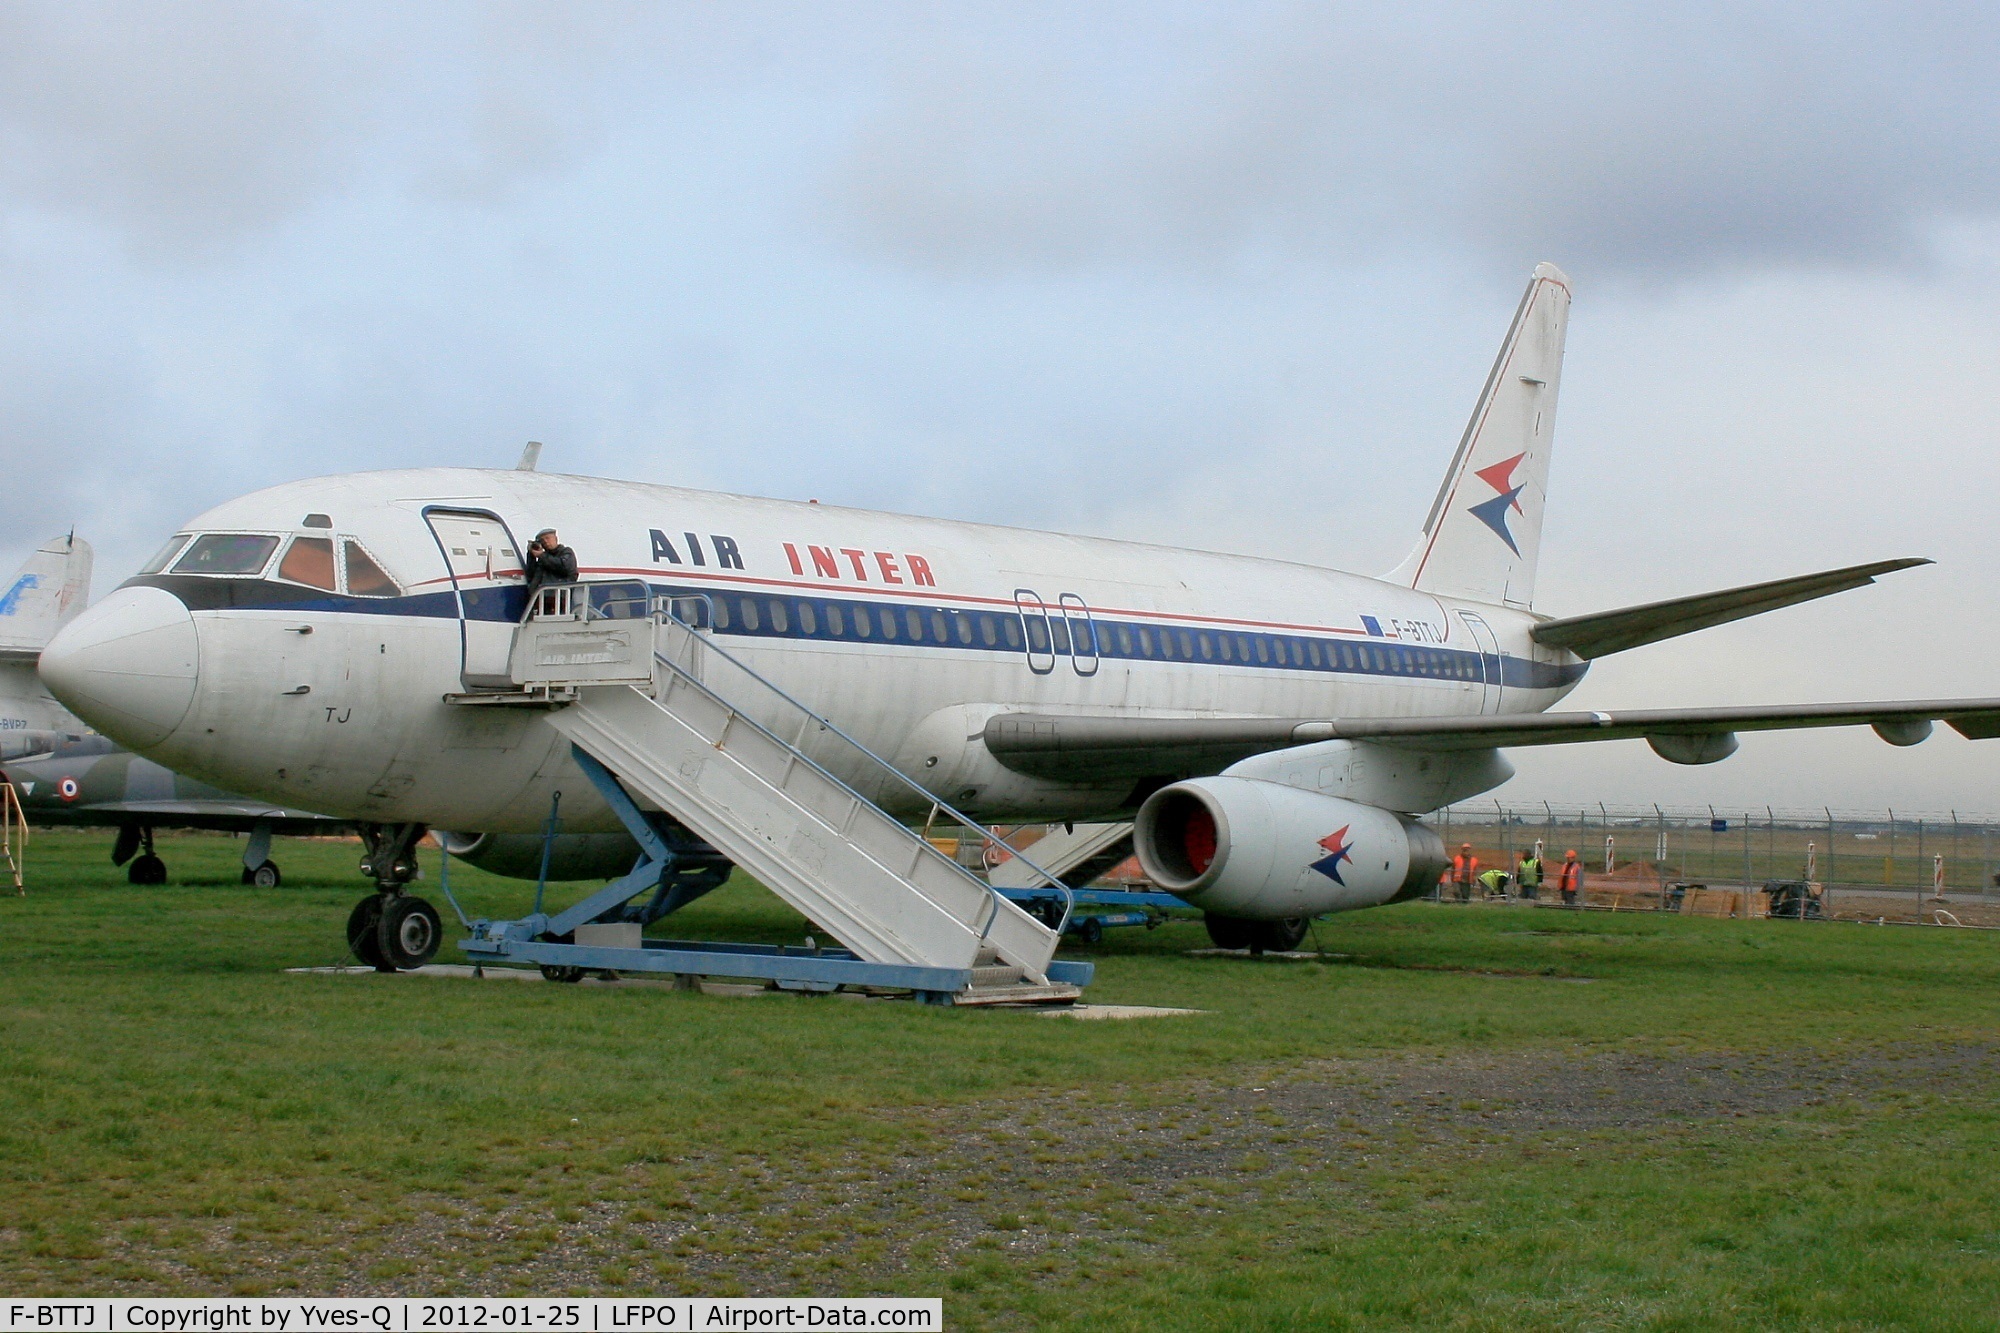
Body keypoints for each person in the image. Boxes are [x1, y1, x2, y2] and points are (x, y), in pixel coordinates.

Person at [524, 527, 578, 608]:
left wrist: (541, 555)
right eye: (542, 540)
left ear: (555, 538)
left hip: (557, 598)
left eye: (548, 538)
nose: (545, 541)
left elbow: (564, 567)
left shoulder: (566, 552)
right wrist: (531, 555)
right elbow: (531, 574)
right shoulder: (543, 558)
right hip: (539, 599)